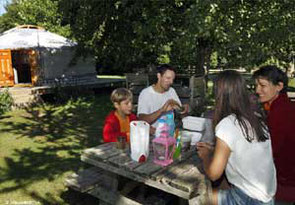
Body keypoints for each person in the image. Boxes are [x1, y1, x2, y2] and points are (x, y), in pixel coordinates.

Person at [197, 70, 276, 205]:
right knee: (222, 185)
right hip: (268, 198)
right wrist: (214, 151)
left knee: (197, 197)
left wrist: (205, 156)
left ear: (219, 95)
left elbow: (213, 174)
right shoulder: (257, 119)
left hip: (249, 200)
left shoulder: (227, 124)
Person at [253, 65, 295, 204]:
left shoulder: (281, 113)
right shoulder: (278, 105)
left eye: (263, 85)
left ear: (279, 86)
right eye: (256, 85)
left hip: (284, 185)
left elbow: (268, 152)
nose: (257, 90)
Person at [137, 64, 188, 134]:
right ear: (159, 76)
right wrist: (162, 110)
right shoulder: (146, 93)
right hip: (153, 136)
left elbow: (181, 115)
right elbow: (142, 120)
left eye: (172, 79)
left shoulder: (171, 91)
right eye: (168, 78)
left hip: (169, 135)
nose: (171, 82)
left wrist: (183, 110)